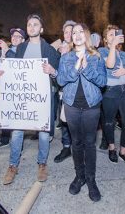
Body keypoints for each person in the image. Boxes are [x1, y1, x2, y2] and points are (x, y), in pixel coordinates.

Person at [2, 14, 60, 185]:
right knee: (17, 132)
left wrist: (52, 71)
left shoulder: (49, 50)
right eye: (29, 25)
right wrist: (2, 74)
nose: (32, 27)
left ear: (41, 29)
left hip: (42, 98)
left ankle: (42, 163)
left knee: (43, 133)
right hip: (23, 99)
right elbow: (10, 71)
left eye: (35, 24)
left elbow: (58, 76)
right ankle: (13, 165)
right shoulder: (20, 48)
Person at [57, 23, 106, 201]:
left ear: (86, 35)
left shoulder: (96, 56)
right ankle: (80, 176)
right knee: (76, 143)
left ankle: (91, 180)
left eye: (80, 32)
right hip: (71, 105)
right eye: (74, 32)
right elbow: (61, 80)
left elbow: (102, 81)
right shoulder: (66, 57)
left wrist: (86, 68)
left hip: (91, 106)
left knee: (89, 143)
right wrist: (75, 68)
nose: (77, 35)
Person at [99, 25, 125, 169]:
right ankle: (112, 148)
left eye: (115, 34)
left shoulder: (124, 54)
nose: (113, 36)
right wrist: (113, 47)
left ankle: (123, 152)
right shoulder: (101, 51)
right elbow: (109, 65)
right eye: (110, 35)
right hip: (111, 90)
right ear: (105, 39)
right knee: (109, 122)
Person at [0, 28, 26, 150]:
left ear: (23, 40)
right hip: (5, 88)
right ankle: (4, 139)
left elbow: (19, 63)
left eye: (18, 36)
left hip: (19, 89)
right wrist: (2, 55)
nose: (14, 38)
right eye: (13, 36)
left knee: (17, 115)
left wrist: (7, 51)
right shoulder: (5, 50)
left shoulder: (24, 50)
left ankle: (17, 143)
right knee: (5, 113)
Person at [53, 20, 76, 163]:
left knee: (77, 123)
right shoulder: (60, 49)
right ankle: (66, 147)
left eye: (70, 31)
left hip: (77, 94)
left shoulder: (79, 49)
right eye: (65, 32)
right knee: (65, 122)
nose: (67, 34)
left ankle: (78, 148)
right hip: (63, 91)